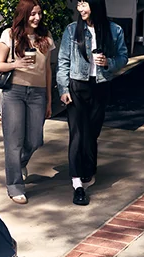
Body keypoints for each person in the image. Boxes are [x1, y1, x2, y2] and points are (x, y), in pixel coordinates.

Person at [56, 0, 127, 206]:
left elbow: (123, 57)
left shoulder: (114, 30)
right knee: (77, 134)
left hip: (101, 86)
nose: (81, 9)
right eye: (78, 5)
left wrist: (109, 63)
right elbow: (63, 61)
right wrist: (63, 89)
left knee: (92, 133)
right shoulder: (72, 30)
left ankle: (89, 169)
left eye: (84, 4)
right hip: (77, 86)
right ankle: (77, 184)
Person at [0, 0, 54, 205]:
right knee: (13, 142)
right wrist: (16, 64)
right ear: (23, 15)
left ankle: (19, 163)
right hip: (14, 92)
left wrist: (49, 100)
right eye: (32, 14)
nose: (37, 18)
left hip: (38, 94)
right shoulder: (9, 35)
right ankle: (15, 186)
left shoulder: (45, 38)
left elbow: (47, 71)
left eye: (39, 14)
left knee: (35, 139)